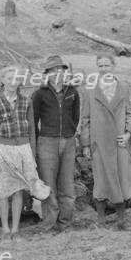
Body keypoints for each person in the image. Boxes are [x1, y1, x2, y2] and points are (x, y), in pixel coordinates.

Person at [80, 54, 131, 230]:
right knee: (101, 181)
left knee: (121, 179)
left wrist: (128, 133)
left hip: (119, 142)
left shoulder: (123, 88)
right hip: (100, 143)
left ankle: (122, 221)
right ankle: (101, 221)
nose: (104, 68)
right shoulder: (90, 90)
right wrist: (86, 144)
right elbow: (85, 119)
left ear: (114, 66)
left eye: (107, 65)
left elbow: (129, 113)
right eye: (100, 65)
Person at [0, 66, 41, 242]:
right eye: (9, 79)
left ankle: (16, 229)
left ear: (20, 82)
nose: (12, 83)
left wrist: (31, 153)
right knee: (4, 190)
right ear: (3, 80)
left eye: (16, 79)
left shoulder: (27, 101)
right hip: (3, 149)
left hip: (23, 148)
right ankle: (5, 230)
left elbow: (32, 128)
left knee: (18, 190)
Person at [32, 55, 81, 232]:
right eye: (52, 70)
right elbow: (33, 120)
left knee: (67, 184)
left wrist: (70, 133)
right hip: (47, 141)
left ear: (64, 71)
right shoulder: (39, 94)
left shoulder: (73, 92)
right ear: (47, 74)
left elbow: (75, 117)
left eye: (59, 69)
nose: (56, 73)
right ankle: (49, 224)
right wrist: (40, 140)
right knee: (48, 184)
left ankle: (65, 223)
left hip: (68, 141)